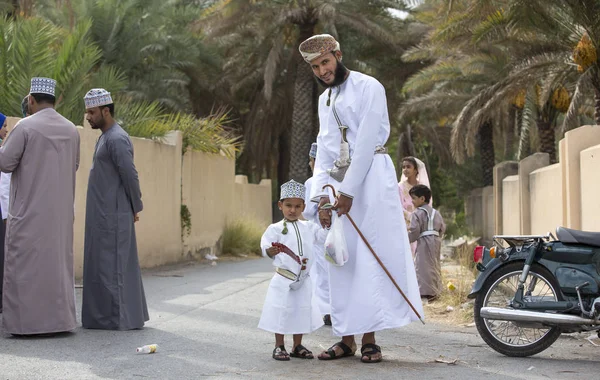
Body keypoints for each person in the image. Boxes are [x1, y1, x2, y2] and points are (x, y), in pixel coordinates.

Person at [299, 34, 423, 363]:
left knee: (370, 260)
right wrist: (323, 200)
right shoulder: (325, 101)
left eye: (325, 62)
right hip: (340, 187)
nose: (322, 70)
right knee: (342, 261)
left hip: (372, 183)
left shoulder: (370, 87)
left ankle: (370, 339)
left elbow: (367, 141)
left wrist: (349, 191)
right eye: (315, 66)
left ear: (337, 55)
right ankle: (345, 339)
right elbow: (324, 152)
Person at [0, 77, 80, 335]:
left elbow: (5, 163)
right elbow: (74, 165)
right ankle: (60, 322)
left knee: (25, 267)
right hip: (60, 215)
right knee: (56, 268)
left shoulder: (25, 127)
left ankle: (26, 324)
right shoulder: (71, 129)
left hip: (29, 213)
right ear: (54, 101)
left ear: (31, 100)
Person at [81, 88, 148, 330]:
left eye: (91, 112)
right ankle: (104, 318)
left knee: (115, 269)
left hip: (114, 214)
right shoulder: (106, 136)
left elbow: (130, 175)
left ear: (105, 111)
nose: (87, 116)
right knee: (104, 266)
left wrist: (135, 205)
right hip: (103, 213)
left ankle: (119, 319)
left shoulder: (117, 138)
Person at [258, 179, 326, 361]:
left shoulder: (310, 227)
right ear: (280, 205)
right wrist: (269, 251)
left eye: (297, 206)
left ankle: (297, 345)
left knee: (301, 311)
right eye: (288, 205)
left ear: (303, 206)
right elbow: (265, 245)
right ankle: (279, 346)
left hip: (303, 279)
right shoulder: (275, 228)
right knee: (281, 311)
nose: (293, 210)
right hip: (283, 278)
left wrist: (328, 222)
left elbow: (323, 237)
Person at [303, 142, 331, 326]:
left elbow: (307, 211)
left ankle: (325, 310)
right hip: (337, 233)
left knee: (321, 273)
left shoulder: (312, 183)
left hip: (319, 232)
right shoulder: (337, 181)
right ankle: (336, 308)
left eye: (311, 160)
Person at [408, 185, 445, 301]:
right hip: (436, 240)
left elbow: (414, 231)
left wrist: (407, 239)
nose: (412, 201)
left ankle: (424, 292)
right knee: (434, 264)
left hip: (424, 241)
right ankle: (435, 290)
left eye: (413, 198)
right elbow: (442, 228)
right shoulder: (436, 212)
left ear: (422, 199)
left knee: (422, 265)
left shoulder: (416, 213)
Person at [398, 157, 431, 256]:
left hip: (422, 224)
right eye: (403, 167)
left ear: (416, 170)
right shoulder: (400, 187)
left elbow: (428, 204)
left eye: (408, 167)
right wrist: (412, 217)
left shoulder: (423, 187)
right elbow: (398, 206)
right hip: (406, 225)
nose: (405, 169)